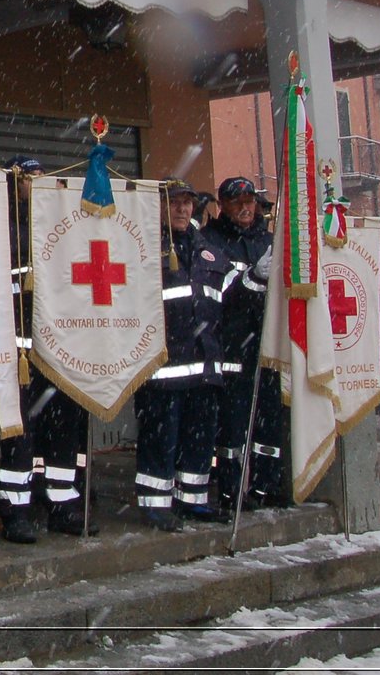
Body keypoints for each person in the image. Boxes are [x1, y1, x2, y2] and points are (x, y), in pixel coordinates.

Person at [0, 156, 94, 541]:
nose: (35, 185)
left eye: (40, 178)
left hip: (60, 351)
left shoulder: (62, 228)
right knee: (19, 438)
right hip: (17, 356)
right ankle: (15, 512)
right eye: (27, 179)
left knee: (63, 432)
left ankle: (63, 506)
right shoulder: (0, 228)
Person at [132, 179, 227, 531]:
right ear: (159, 207)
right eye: (176, 203)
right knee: (161, 439)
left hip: (204, 365)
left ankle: (193, 499)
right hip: (164, 369)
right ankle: (156, 504)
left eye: (188, 203)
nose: (183, 209)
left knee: (199, 438)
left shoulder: (208, 249)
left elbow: (224, 302)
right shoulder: (144, 246)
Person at [208, 176, 286, 512]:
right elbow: (217, 295)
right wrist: (252, 277)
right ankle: (230, 491)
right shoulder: (209, 241)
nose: (245, 207)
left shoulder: (270, 241)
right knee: (232, 430)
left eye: (249, 200)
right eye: (236, 201)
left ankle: (265, 487)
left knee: (269, 426)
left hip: (268, 351)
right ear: (222, 204)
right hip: (232, 349)